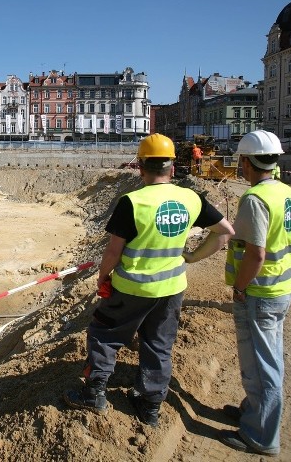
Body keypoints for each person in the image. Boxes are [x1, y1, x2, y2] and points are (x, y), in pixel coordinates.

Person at [64, 133, 234, 427]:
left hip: (132, 287)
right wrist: (192, 257)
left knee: (105, 334)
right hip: (172, 288)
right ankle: (150, 405)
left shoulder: (133, 202)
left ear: (141, 167)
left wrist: (103, 277)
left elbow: (114, 251)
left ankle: (94, 394)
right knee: (158, 344)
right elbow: (225, 231)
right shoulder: (190, 198)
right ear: (172, 167)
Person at [218, 129, 291, 457]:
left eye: (241, 160)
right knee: (267, 356)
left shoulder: (255, 199)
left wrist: (239, 287)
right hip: (282, 286)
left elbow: (256, 254)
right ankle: (255, 411)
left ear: (247, 162)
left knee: (264, 362)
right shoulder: (286, 192)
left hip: (262, 290)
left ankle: (262, 435)